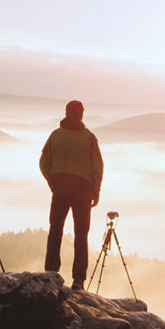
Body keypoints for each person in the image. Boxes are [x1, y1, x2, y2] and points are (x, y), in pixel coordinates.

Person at [40, 100, 104, 290]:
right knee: (81, 236)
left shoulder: (56, 135)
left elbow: (44, 161)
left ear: (67, 113)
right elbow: (97, 167)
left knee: (55, 231)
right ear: (81, 114)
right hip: (82, 191)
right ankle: (78, 280)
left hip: (59, 190)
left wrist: (52, 180)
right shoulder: (89, 138)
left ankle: (51, 271)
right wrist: (96, 190)